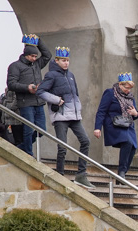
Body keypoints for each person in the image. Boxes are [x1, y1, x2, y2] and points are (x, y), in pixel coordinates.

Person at [36, 46, 93, 188]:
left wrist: (78, 108)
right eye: (63, 60)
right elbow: (40, 91)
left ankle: (81, 174)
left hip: (74, 116)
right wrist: (56, 100)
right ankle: (59, 174)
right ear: (57, 60)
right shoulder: (51, 75)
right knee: (62, 147)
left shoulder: (71, 75)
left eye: (67, 60)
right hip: (61, 117)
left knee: (85, 141)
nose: (66, 63)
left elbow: (75, 95)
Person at [7, 34, 51, 155]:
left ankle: (22, 147)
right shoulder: (15, 66)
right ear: (26, 54)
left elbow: (48, 55)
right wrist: (27, 88)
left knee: (41, 130)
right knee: (29, 129)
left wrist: (38, 41)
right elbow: (11, 84)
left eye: (36, 56)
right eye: (32, 56)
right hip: (25, 102)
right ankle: (29, 154)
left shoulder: (36, 64)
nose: (34, 58)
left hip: (39, 102)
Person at [94, 73, 138, 177]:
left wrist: (135, 113)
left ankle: (122, 174)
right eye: (126, 88)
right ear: (120, 84)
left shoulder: (130, 97)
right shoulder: (110, 93)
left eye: (130, 88)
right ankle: (122, 172)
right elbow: (101, 111)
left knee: (133, 147)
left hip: (128, 125)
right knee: (127, 142)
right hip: (115, 124)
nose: (128, 90)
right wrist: (97, 128)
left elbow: (136, 114)